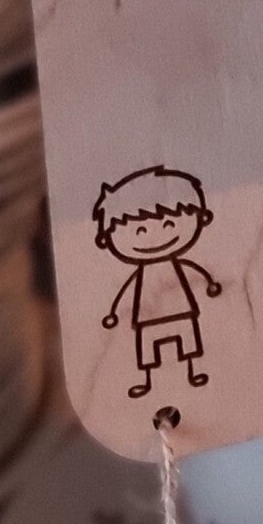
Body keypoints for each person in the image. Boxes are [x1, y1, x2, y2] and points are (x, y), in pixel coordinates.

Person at [94, 165, 223, 395]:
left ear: (201, 217)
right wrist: (114, 311)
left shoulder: (172, 265)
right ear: (107, 239)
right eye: (140, 231)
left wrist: (208, 281)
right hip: (148, 313)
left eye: (169, 224)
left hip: (179, 306)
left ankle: (193, 371)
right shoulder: (143, 273)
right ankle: (147, 381)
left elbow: (193, 268)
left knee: (187, 338)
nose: (154, 236)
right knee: (148, 345)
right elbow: (127, 287)